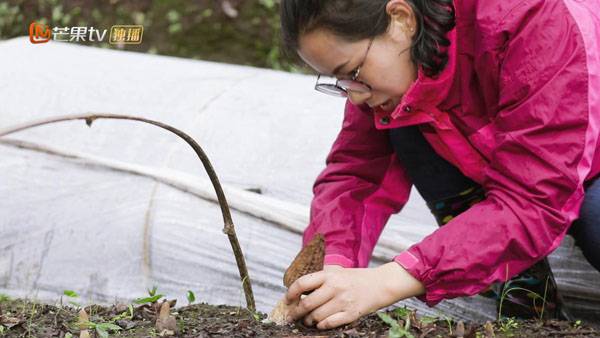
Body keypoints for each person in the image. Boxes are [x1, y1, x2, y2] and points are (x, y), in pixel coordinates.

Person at [279, 0, 600, 330]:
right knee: (399, 120)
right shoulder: (395, 68)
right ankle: (531, 315)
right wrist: (334, 267)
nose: (356, 97)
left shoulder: (535, 19)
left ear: (401, 18)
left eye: (353, 73)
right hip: (516, 170)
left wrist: (388, 281)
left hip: (588, 164)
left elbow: (534, 199)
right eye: (341, 82)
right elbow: (358, 172)